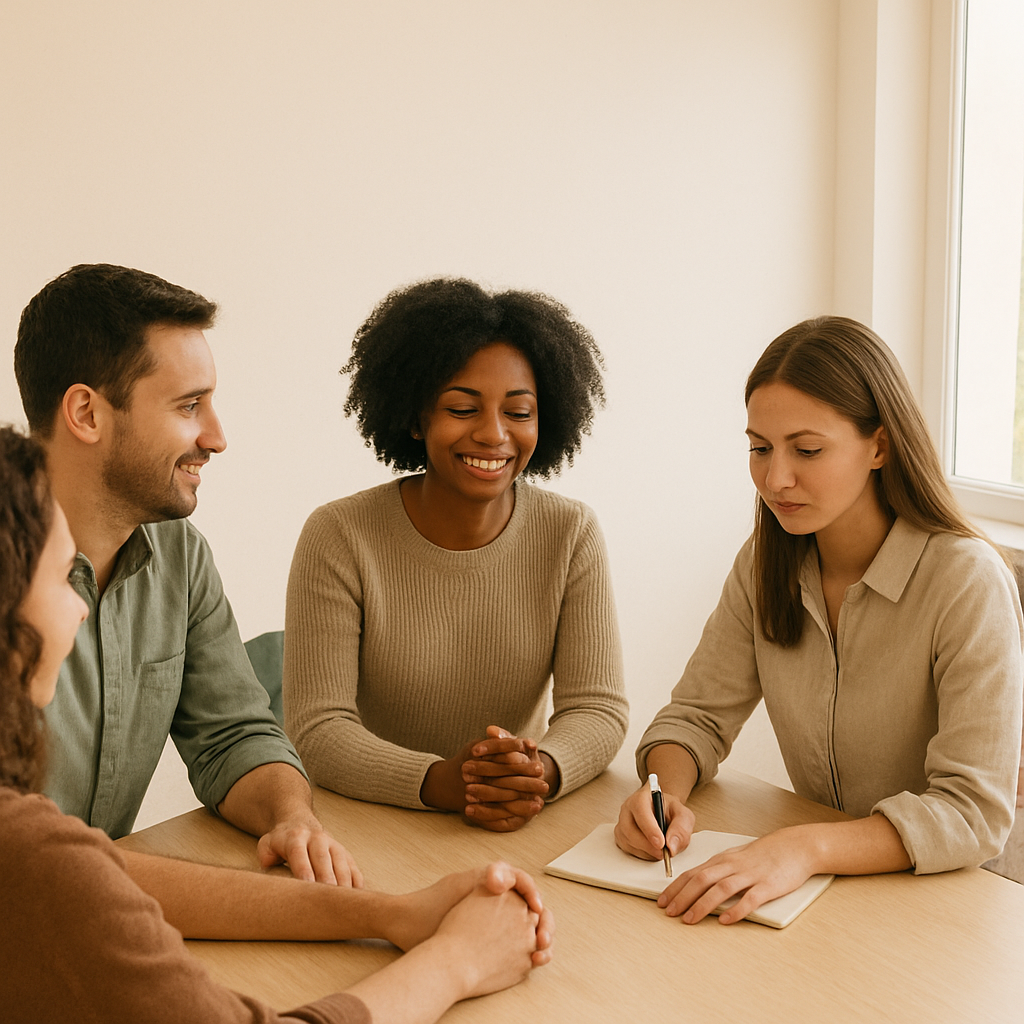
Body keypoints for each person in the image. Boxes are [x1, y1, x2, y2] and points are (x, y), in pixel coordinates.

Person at [0, 425, 554, 1023]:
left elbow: (104, 875)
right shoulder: (24, 852)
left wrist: (386, 913)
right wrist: (456, 962)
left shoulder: (35, 849)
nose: (82, 606)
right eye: (62, 577)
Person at [615, 316, 1023, 924]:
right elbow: (695, 716)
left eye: (807, 450)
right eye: (759, 448)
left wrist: (806, 845)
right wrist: (661, 792)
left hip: (963, 898)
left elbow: (971, 812)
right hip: (829, 894)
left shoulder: (965, 580)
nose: (775, 478)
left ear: (879, 446)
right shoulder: (765, 562)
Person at [13, 264, 359, 885]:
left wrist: (291, 818)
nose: (217, 437)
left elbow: (231, 736)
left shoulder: (180, 557)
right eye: (189, 405)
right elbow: (32, 866)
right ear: (87, 413)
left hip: (85, 909)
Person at [285, 277, 628, 832]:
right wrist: (442, 781)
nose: (494, 434)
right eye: (463, 408)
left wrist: (538, 771)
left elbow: (598, 709)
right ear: (417, 419)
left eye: (519, 412)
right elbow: (321, 729)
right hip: (371, 824)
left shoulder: (571, 532)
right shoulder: (340, 534)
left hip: (514, 818)